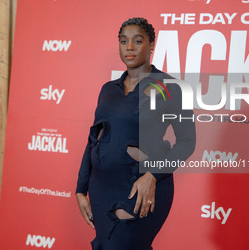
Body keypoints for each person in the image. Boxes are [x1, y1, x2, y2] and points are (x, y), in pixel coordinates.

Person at [76, 17, 196, 250]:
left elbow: (186, 141)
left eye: (137, 41)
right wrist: (81, 188)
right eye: (124, 41)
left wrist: (152, 176)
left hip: (141, 185)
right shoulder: (108, 90)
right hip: (101, 188)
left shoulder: (170, 87)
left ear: (152, 44)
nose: (129, 47)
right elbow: (94, 140)